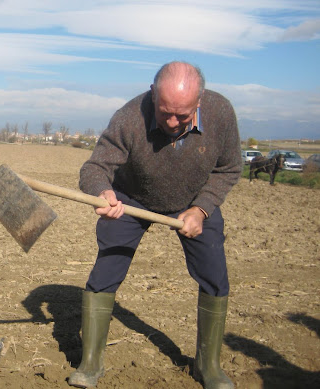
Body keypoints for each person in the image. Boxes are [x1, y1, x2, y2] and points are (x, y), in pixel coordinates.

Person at [69, 61, 240, 389]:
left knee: (215, 276)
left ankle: (208, 365)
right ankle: (91, 363)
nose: (173, 122)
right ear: (152, 93)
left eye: (183, 114)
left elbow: (229, 169)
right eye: (165, 112)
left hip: (193, 201)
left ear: (199, 101)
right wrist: (102, 192)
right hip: (132, 197)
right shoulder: (129, 117)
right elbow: (94, 168)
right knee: (105, 272)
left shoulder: (221, 113)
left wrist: (202, 210)